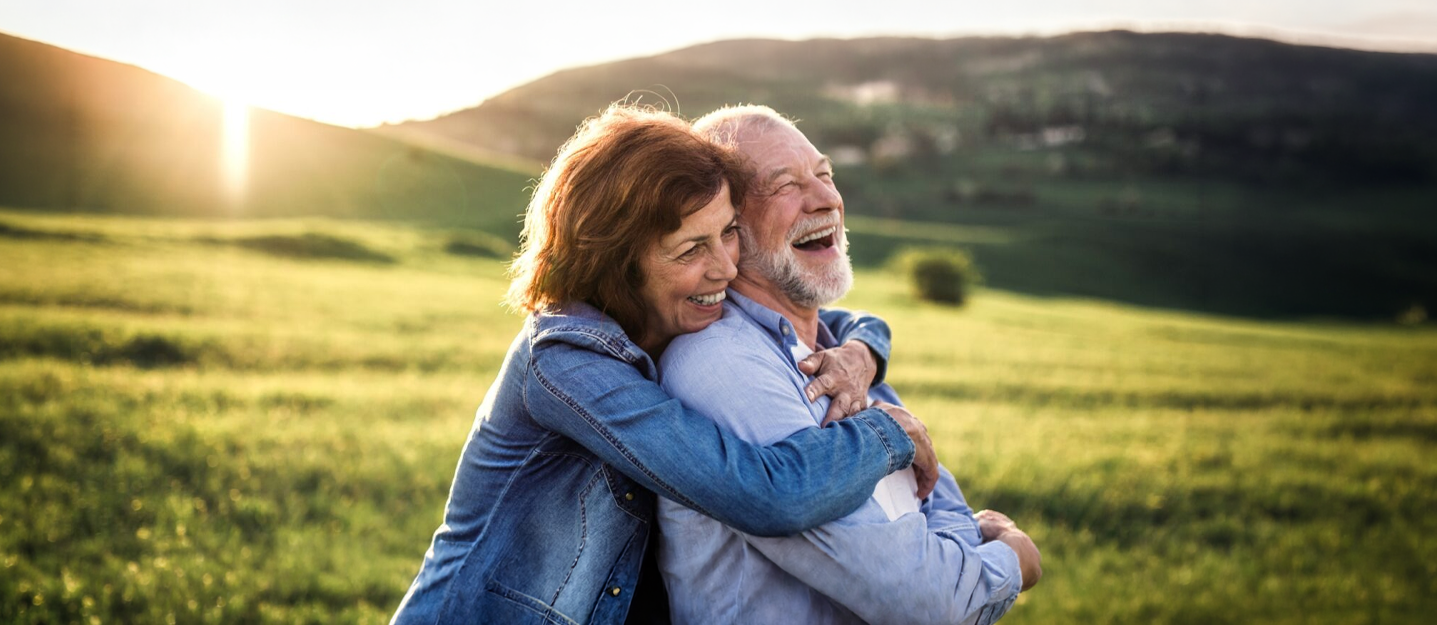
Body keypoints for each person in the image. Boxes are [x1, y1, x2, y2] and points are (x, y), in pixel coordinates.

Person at [391, 104, 939, 624]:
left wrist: (861, 353)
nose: (726, 268)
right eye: (691, 250)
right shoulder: (566, 362)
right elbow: (765, 495)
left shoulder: (668, 316)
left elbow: (841, 320)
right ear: (618, 263)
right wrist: (887, 432)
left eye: (728, 232)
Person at [656, 105, 1043, 625]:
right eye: (785, 185)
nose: (827, 199)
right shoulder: (723, 367)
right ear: (727, 226)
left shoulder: (843, 356)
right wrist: (1011, 555)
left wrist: (962, 549)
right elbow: (928, 604)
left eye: (825, 174)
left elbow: (934, 497)